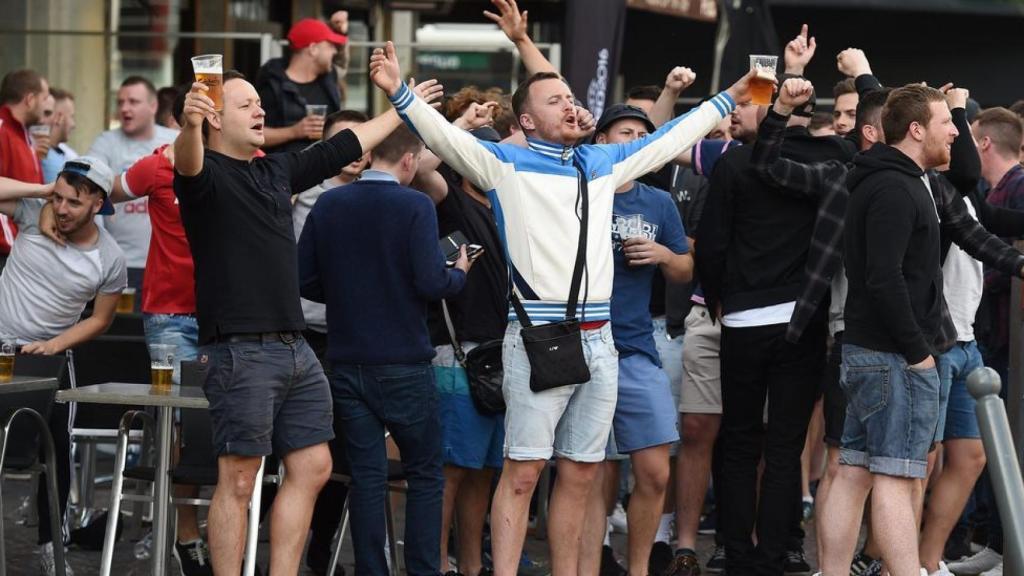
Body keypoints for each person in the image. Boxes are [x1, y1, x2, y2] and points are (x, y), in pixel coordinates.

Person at [370, 37, 753, 575]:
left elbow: (669, 140)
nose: (569, 103)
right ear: (526, 120)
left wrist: (730, 96)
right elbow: (444, 142)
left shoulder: (601, 162)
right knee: (523, 473)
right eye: (554, 100)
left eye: (571, 95)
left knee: (580, 473)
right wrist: (399, 94)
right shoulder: (503, 163)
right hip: (534, 337)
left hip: (602, 340)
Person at [173, 70, 405, 575]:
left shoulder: (273, 171)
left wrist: (402, 103)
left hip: (295, 348)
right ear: (214, 118)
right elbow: (186, 162)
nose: (261, 111)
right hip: (240, 349)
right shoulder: (204, 174)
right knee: (238, 479)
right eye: (247, 105)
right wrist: (190, 126)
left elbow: (341, 145)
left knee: (315, 466)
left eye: (260, 103)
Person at [298, 124, 472, 576]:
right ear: (411, 160)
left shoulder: (330, 202)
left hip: (346, 358)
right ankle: (421, 570)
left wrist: (347, 293)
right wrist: (461, 272)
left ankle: (371, 570)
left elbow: (303, 278)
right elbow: (433, 282)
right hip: (404, 361)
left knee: (367, 476)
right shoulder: (415, 205)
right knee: (425, 473)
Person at [580, 104, 692, 576]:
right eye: (625, 132)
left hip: (636, 347)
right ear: (602, 141)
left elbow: (685, 270)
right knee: (584, 474)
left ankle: (640, 568)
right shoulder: (579, 191)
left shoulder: (658, 202)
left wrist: (665, 254)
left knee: (655, 470)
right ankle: (590, 562)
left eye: (644, 136)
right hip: (580, 347)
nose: (635, 141)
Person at [0, 157, 126, 576]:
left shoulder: (109, 258)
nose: (64, 208)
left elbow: (100, 319)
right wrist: (41, 193)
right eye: (60, 197)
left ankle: (52, 546)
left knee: (55, 456)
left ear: (98, 203)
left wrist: (54, 344)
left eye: (74, 201)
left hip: (49, 360)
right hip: (0, 346)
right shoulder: (36, 212)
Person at [293, 108, 370, 576]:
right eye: (339, 141)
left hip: (347, 341)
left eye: (358, 141)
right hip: (298, 338)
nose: (350, 151)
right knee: (293, 454)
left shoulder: (376, 192)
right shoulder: (296, 192)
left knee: (338, 457)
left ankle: (320, 553)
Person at [949, 107, 1024, 576]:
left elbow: (992, 250)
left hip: (1007, 340)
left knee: (1007, 443)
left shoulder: (1016, 184)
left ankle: (1004, 542)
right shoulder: (990, 190)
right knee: (994, 446)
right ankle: (998, 541)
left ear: (982, 145)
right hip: (993, 336)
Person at [87, 75, 178, 291]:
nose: (125, 108)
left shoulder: (175, 140)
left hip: (167, 264)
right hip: (119, 263)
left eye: (133, 102)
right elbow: (86, 181)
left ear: (153, 106)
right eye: (120, 102)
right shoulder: (106, 142)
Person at [256, 18, 346, 154]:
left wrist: (341, 30)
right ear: (313, 49)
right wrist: (294, 132)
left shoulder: (329, 78)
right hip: (285, 171)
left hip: (326, 168)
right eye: (330, 45)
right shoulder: (272, 84)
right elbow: (253, 133)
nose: (334, 51)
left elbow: (343, 62)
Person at [0, 69, 49, 268]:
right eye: (44, 98)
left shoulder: (24, 136)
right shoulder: (2, 129)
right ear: (29, 99)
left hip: (23, 248)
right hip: (6, 249)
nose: (46, 106)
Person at [40, 88, 78, 184]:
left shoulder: (62, 152)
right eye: (71, 116)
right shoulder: (46, 158)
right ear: (58, 117)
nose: (73, 124)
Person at [329, 10, 352, 105]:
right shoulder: (330, 34)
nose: (340, 24)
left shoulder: (342, 36)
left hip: (338, 69)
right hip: (333, 69)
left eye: (342, 22)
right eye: (337, 22)